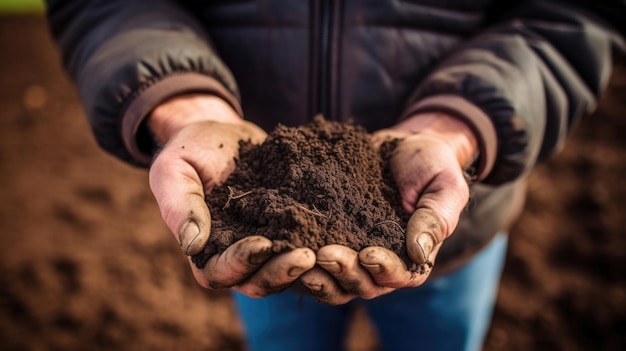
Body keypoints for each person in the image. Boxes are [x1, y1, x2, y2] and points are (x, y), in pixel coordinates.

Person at [46, 1, 625, 350]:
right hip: (253, 224)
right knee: (280, 329)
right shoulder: (251, 196)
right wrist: (187, 106)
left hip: (452, 211)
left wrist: (457, 125)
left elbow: (570, 18)